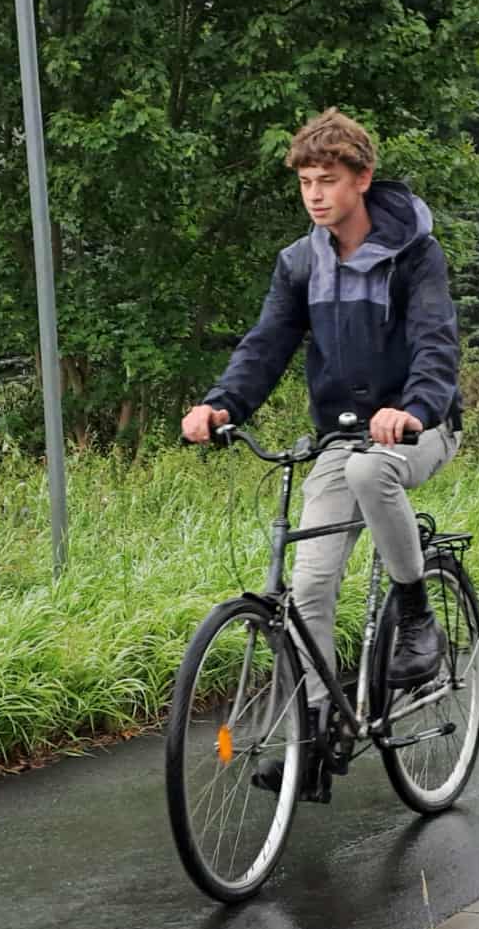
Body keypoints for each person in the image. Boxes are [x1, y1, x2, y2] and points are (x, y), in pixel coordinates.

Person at [183, 110, 463, 796]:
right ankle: (309, 733)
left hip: (419, 428)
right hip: (343, 437)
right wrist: (222, 404)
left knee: (374, 469)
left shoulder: (414, 255)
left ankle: (418, 616)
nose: (314, 194)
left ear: (362, 180)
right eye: (306, 181)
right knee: (306, 585)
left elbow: (436, 342)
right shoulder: (301, 262)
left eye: (328, 180)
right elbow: (266, 345)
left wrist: (416, 408)